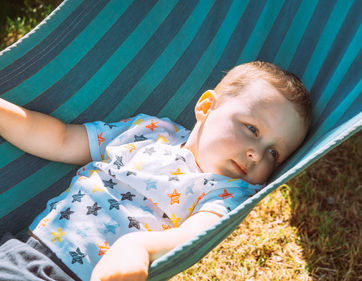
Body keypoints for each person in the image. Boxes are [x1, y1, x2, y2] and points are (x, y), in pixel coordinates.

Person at [0, 61, 312, 281]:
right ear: (207, 107)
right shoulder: (149, 130)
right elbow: (62, 138)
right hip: (21, 248)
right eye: (252, 129)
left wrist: (137, 245)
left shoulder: (228, 192)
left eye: (274, 152)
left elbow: (192, 234)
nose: (256, 154)